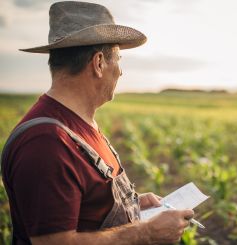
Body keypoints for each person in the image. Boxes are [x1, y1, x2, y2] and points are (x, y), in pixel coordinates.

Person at [1, 1, 194, 245]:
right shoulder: (46, 142)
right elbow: (54, 242)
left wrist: (133, 206)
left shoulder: (79, 124)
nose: (121, 72)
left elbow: (89, 207)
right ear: (99, 63)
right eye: (119, 59)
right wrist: (145, 233)